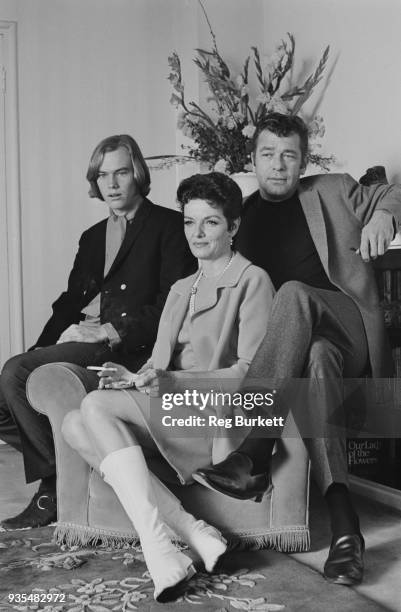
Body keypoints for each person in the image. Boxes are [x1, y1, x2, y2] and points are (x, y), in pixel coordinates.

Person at [192, 113, 401, 586]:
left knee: (293, 294)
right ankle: (347, 529)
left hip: (350, 328)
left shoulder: (333, 189)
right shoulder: (240, 221)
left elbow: (393, 191)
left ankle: (253, 450)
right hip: (303, 349)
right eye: (268, 155)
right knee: (317, 361)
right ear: (254, 160)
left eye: (289, 156)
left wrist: (385, 214)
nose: (278, 165)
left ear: (303, 161)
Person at [61, 172, 275, 602]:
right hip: (170, 405)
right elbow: (159, 365)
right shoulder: (181, 289)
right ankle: (194, 531)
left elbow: (252, 374)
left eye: (211, 222)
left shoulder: (253, 281)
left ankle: (159, 545)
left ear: (233, 227)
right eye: (188, 221)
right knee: (73, 423)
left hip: (214, 416)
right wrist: (136, 377)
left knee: (97, 408)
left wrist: (166, 381)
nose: (196, 233)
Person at [0, 134, 195, 530]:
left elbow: (170, 303)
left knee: (15, 373)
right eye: (103, 175)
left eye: (121, 172)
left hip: (121, 346)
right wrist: (45, 346)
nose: (112, 183)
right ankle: (68, 462)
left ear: (137, 174)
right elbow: (70, 302)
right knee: (7, 390)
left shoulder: (169, 226)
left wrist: (107, 332)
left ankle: (52, 487)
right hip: (79, 338)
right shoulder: (91, 237)